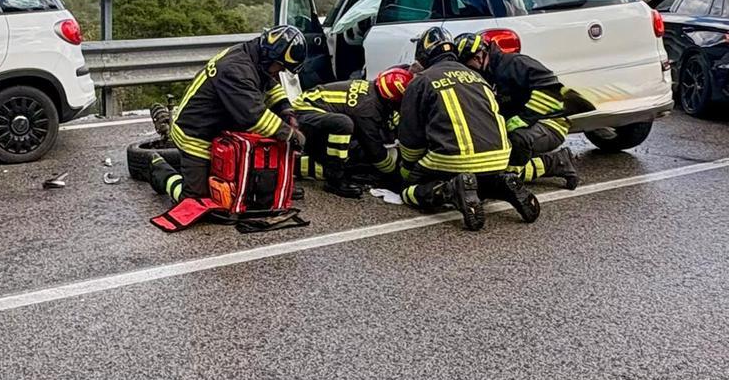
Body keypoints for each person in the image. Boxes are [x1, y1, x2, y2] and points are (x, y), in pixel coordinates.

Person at [398, 27, 540, 231]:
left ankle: (449, 190)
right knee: (476, 180)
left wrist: (408, 168)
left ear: (423, 54)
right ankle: (502, 185)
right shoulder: (477, 77)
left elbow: (411, 136)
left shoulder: (422, 81)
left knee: (408, 190)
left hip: (454, 158)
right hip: (499, 157)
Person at [148, 26, 306, 204]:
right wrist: (290, 135)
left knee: (234, 187)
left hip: (219, 132)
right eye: (281, 67)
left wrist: (287, 111)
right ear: (270, 57)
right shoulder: (236, 70)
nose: (280, 72)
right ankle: (161, 173)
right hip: (195, 135)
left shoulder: (255, 56)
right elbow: (255, 118)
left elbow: (270, 85)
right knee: (194, 200)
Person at [455, 33, 579, 190]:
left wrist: (524, 118)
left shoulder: (515, 64)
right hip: (522, 125)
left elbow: (552, 92)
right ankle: (554, 162)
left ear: (479, 57)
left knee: (510, 156)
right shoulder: (487, 74)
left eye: (467, 66)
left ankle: (553, 163)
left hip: (551, 123)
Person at [286, 66, 415, 192]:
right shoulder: (368, 110)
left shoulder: (375, 93)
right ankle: (335, 180)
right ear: (393, 100)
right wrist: (394, 174)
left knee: (349, 155)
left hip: (314, 112)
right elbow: (375, 151)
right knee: (344, 124)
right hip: (302, 115)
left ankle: (296, 166)